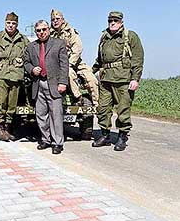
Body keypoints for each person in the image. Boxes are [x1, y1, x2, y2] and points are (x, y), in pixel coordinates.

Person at [91, 11, 144, 151]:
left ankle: (122, 137)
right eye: (110, 21)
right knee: (103, 108)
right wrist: (90, 72)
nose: (112, 23)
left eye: (115, 20)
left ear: (121, 22)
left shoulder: (130, 36)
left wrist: (135, 78)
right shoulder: (104, 37)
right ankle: (105, 135)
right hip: (106, 79)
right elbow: (100, 59)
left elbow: (138, 59)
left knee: (123, 110)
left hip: (123, 79)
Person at [24, 20, 69, 154]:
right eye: (38, 30)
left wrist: (63, 82)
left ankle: (57, 143)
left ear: (48, 29)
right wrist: (32, 69)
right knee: (41, 115)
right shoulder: (31, 46)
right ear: (36, 31)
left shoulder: (59, 43)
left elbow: (64, 64)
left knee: (56, 115)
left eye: (44, 29)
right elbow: (26, 62)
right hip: (39, 84)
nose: (41, 32)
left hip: (54, 84)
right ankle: (46, 139)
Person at [0, 12, 29, 141]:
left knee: (12, 104)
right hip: (1, 76)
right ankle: (0, 128)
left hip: (16, 76)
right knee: (1, 103)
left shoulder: (23, 39)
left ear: (17, 24)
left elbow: (29, 56)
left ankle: (8, 128)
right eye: (8, 23)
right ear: (5, 23)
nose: (11, 26)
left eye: (13, 23)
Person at [50, 9, 99, 106]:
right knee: (68, 73)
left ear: (63, 20)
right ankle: (78, 97)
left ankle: (97, 105)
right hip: (60, 64)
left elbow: (78, 49)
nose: (55, 21)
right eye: (53, 19)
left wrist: (71, 63)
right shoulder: (50, 34)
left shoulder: (71, 32)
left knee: (91, 78)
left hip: (75, 61)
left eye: (58, 19)